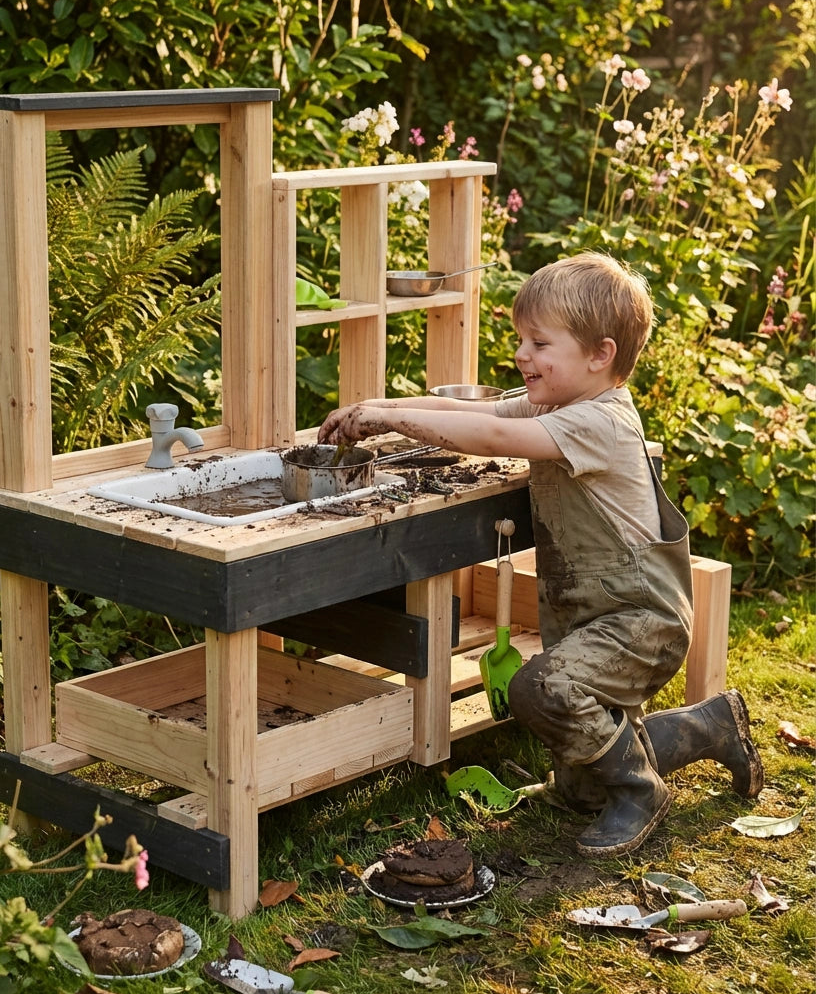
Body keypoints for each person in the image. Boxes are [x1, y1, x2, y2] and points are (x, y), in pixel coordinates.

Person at [318, 251, 763, 858]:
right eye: (522, 339)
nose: (523, 354)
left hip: (640, 620)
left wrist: (386, 416)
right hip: (594, 616)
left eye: (539, 342)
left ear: (599, 355)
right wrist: (381, 413)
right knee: (581, 787)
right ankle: (711, 725)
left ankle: (641, 792)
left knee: (539, 689)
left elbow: (495, 437)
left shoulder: (598, 422)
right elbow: (475, 411)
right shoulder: (559, 403)